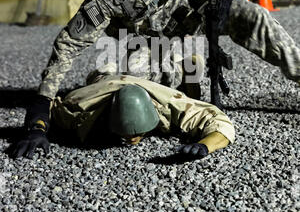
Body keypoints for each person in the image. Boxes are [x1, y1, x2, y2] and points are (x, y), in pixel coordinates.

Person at [13, 0, 300, 158]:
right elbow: (67, 46)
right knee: (131, 91)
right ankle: (187, 69)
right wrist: (40, 111)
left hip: (199, 14)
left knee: (255, 16)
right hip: (155, 42)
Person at [11, 74, 235, 160]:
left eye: (138, 133)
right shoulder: (80, 106)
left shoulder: (169, 103)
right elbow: (45, 103)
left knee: (172, 71)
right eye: (125, 133)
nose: (131, 140)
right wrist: (36, 130)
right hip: (104, 81)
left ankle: (184, 70)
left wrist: (206, 145)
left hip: (150, 82)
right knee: (101, 71)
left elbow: (218, 120)